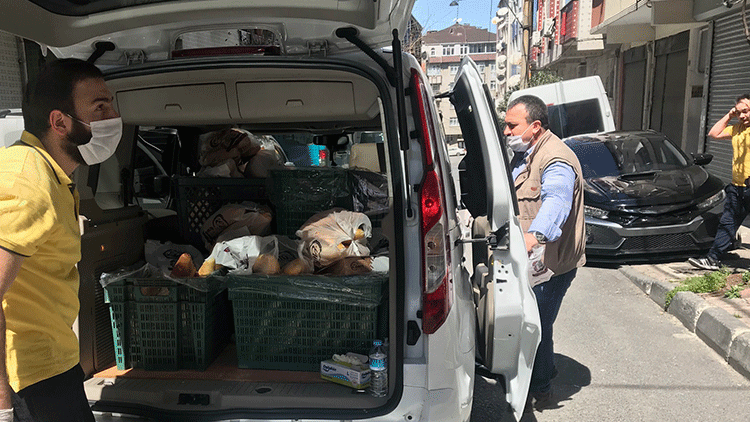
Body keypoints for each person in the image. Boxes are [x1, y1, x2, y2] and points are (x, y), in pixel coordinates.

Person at [0, 58, 122, 422]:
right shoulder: (27, 182)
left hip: (55, 365)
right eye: (100, 107)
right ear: (59, 122)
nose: (112, 115)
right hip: (30, 382)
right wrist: (3, 404)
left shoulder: (51, 176)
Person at [503, 95, 586, 413]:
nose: (508, 131)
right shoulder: (527, 155)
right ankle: (542, 374)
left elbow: (557, 202)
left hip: (550, 263)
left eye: (513, 125)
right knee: (533, 322)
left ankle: (542, 390)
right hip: (532, 260)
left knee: (535, 325)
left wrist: (533, 236)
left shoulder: (555, 159)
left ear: (535, 126)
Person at [688, 94, 750, 271]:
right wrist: (730, 115)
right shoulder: (737, 129)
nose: (742, 116)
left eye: (745, 111)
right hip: (737, 187)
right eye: (739, 113)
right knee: (727, 222)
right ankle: (712, 259)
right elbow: (713, 133)